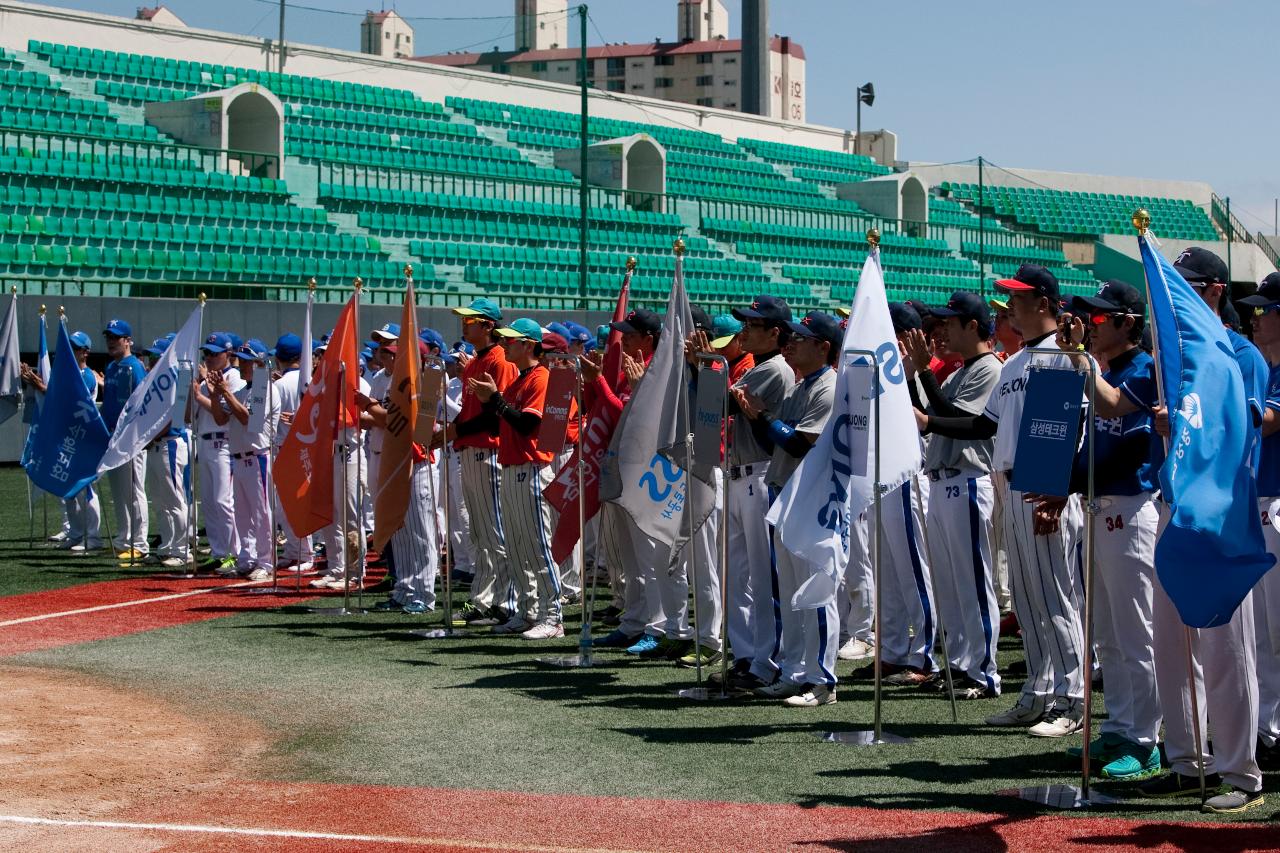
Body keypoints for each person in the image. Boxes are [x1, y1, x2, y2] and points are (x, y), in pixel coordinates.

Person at [924, 264, 1085, 738]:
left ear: (1042, 303)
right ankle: (1037, 691)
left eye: (1017, 297)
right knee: (1030, 596)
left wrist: (1058, 490)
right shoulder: (1014, 363)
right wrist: (929, 419)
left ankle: (1072, 699)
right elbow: (984, 426)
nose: (1008, 306)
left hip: (1047, 486)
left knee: (1056, 595)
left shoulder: (1064, 355)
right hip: (1012, 484)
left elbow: (1068, 429)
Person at [1136, 247, 1267, 813]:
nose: (1174, 298)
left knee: (1226, 645)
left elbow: (1242, 428)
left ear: (1212, 291)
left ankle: (1239, 771)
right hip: (1172, 504)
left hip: (1223, 511)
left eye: (1186, 287)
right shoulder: (1169, 356)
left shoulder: (1241, 354)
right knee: (1172, 643)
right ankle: (1188, 761)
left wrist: (1184, 420)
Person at [1051, 280, 1163, 781]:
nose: (1091, 326)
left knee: (1137, 631)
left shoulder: (1144, 369)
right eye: (1088, 319)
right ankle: (1121, 724)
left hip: (1133, 507)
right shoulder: (1109, 368)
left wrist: (1080, 358)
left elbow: (1125, 437)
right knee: (1108, 633)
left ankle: (1148, 739)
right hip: (1100, 506)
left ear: (1128, 323)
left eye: (1100, 319)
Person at [738, 310, 840, 705]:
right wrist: (759, 418)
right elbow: (779, 437)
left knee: (815, 590)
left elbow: (800, 443)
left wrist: (761, 415)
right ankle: (797, 671)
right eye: (793, 336)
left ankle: (822, 680)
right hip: (786, 492)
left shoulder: (829, 387)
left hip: (812, 499)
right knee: (792, 590)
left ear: (823, 347)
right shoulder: (802, 386)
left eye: (802, 338)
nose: (792, 342)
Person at [906, 291, 1002, 701]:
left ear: (973, 327)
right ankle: (963, 665)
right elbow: (929, 421)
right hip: (943, 481)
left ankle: (984, 672)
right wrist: (914, 376)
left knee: (974, 582)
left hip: (968, 480)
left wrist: (925, 373)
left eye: (951, 321)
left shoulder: (988, 369)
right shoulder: (958, 371)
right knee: (951, 584)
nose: (943, 328)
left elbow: (961, 420)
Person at [717, 295, 796, 691]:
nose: (744, 329)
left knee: (764, 578)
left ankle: (770, 661)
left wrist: (701, 368)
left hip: (761, 474)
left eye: (753, 324)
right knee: (737, 577)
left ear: (775, 332)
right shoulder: (755, 367)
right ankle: (747, 656)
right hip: (738, 474)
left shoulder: (776, 369)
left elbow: (720, 403)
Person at [471, 318, 563, 639]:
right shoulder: (517, 381)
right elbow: (500, 427)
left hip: (533, 469)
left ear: (528, 344)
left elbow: (527, 426)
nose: (506, 343)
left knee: (538, 547)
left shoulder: (542, 377)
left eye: (512, 340)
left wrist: (495, 400)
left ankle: (554, 616)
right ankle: (527, 612)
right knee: (516, 547)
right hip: (511, 468)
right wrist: (489, 401)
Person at [440, 298, 518, 626]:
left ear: (488, 325)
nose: (464, 324)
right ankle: (483, 599)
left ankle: (506, 603)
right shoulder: (473, 363)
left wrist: (453, 429)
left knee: (496, 532)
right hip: (469, 451)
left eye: (471, 320)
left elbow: (493, 419)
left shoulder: (500, 360)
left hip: (490, 452)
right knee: (480, 533)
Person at [361, 337, 439, 614]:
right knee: (401, 530)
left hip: (418, 461)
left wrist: (370, 406)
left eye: (398, 354)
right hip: (395, 460)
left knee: (421, 532)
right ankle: (404, 590)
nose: (391, 358)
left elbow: (418, 426)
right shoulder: (394, 382)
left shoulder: (429, 381)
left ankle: (424, 593)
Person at [219, 339, 280, 579]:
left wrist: (224, 392)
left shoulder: (265, 388)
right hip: (240, 456)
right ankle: (247, 557)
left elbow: (249, 420)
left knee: (262, 512)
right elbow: (221, 417)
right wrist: (217, 394)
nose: (241, 365)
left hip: (258, 456)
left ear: (257, 363)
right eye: (240, 360)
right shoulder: (243, 390)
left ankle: (266, 562)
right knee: (242, 513)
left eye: (245, 361)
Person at [192, 332, 245, 573]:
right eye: (207, 353)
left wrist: (201, 395)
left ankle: (234, 553)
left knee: (225, 501)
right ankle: (218, 551)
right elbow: (187, 416)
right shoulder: (205, 380)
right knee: (211, 503)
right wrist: (193, 390)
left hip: (223, 443)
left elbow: (222, 417)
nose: (210, 357)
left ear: (227, 353)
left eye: (215, 353)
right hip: (204, 442)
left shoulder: (233, 377)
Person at [101, 319, 149, 561]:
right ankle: (123, 538)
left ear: (128, 340)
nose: (111, 341)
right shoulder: (111, 367)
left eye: (116, 337)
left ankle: (139, 542)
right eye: (108, 336)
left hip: (130, 439)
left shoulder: (134, 367)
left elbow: (142, 404)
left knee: (133, 490)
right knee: (119, 492)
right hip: (112, 439)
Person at [140, 336, 189, 568]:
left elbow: (177, 417)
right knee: (160, 501)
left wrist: (150, 435)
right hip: (156, 445)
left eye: (155, 356)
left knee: (174, 499)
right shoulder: (156, 382)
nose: (151, 361)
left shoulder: (179, 378)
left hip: (169, 442)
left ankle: (182, 549)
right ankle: (166, 546)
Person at [270, 333, 313, 574]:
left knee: (288, 505)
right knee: (294, 503)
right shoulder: (311, 380)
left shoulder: (279, 384)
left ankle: (304, 552)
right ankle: (296, 551)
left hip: (285, 447)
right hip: (306, 446)